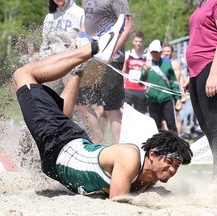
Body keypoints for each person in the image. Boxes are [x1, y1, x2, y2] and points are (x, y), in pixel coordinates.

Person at [13, 23, 193, 199]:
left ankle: (79, 69)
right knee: (22, 75)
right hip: (60, 146)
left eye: (177, 165)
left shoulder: (150, 178)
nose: (172, 170)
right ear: (152, 154)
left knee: (62, 116)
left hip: (72, 146)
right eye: (170, 162)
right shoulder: (129, 157)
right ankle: (93, 48)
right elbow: (118, 200)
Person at [75, 0, 133, 143]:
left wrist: (112, 52)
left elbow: (128, 26)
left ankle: (120, 149)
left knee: (112, 108)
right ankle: (100, 145)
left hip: (111, 59)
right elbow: (86, 23)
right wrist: (77, 42)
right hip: (91, 57)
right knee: (81, 103)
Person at [185, 0, 217, 181]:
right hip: (196, 72)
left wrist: (214, 74)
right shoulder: (201, 4)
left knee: (214, 129)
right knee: (206, 127)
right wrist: (190, 77)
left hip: (209, 67)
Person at [38, 0, 84, 94]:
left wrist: (77, 42)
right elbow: (45, 44)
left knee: (74, 104)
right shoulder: (49, 17)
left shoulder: (80, 13)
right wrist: (41, 65)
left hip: (73, 65)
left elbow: (88, 38)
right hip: (52, 66)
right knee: (52, 103)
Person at [140, 39, 182, 134]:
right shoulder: (146, 66)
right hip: (152, 100)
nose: (155, 54)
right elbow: (140, 83)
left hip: (166, 99)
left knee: (171, 125)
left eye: (157, 52)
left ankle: (175, 146)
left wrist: (177, 98)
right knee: (156, 126)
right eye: (153, 52)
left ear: (160, 52)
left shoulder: (167, 65)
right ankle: (158, 147)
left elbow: (174, 83)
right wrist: (144, 72)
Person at [123, 31, 147, 114]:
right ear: (133, 42)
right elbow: (124, 71)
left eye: (140, 42)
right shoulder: (127, 54)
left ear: (143, 42)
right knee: (125, 113)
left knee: (140, 114)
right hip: (128, 88)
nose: (138, 44)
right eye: (136, 41)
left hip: (141, 89)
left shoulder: (146, 55)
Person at [162, 43, 183, 135]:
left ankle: (178, 139)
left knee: (175, 117)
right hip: (163, 93)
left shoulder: (175, 63)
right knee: (164, 119)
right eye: (165, 51)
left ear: (172, 52)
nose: (166, 53)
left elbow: (176, 80)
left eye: (168, 51)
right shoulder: (161, 62)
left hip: (173, 93)